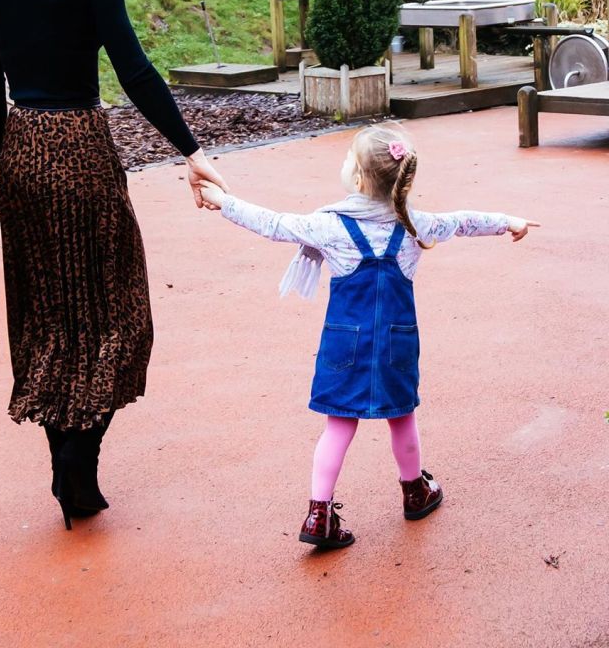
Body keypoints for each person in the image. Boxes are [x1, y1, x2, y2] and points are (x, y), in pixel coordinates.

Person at [0, 0, 226, 530]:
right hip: (80, 147)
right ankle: (78, 463)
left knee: (47, 312)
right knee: (116, 310)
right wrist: (190, 149)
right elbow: (135, 70)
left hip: (22, 148)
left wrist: (9, 157)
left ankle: (66, 460)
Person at [200, 125, 537, 550]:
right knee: (402, 417)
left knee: (339, 424)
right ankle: (414, 490)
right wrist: (509, 221)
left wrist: (222, 201)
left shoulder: (329, 226)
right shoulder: (415, 225)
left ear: (358, 179)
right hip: (397, 344)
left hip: (345, 344)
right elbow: (464, 221)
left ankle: (319, 512)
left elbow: (272, 224)